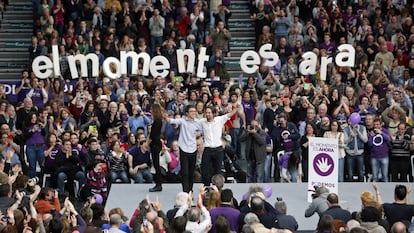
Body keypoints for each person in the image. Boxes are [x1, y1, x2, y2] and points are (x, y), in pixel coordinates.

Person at [200, 105, 240, 186]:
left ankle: (217, 189)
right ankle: (206, 188)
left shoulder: (219, 119)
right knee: (204, 171)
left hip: (218, 149)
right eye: (206, 112)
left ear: (214, 113)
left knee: (217, 171)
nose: (207, 114)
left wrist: (236, 107)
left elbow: (230, 114)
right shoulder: (202, 121)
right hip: (207, 149)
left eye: (209, 113)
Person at [165, 105, 202, 193]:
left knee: (191, 172)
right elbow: (171, 121)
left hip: (193, 149)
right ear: (187, 113)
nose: (193, 113)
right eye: (191, 111)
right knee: (185, 172)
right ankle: (185, 191)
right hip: (184, 149)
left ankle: (190, 190)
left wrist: (198, 135)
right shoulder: (182, 121)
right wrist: (166, 117)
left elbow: (202, 131)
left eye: (194, 111)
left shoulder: (198, 122)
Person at [344, 117, 368, 182]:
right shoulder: (346, 129)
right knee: (350, 172)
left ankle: (361, 187)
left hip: (360, 153)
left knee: (360, 172)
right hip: (350, 153)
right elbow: (345, 141)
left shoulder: (363, 128)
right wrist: (350, 137)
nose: (354, 124)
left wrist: (358, 132)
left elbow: (365, 140)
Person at [148, 104, 163, 192]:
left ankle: (159, 184)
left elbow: (152, 135)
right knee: (156, 165)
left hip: (155, 145)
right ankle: (158, 183)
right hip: (155, 144)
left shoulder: (157, 121)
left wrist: (147, 143)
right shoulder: (157, 121)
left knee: (156, 165)